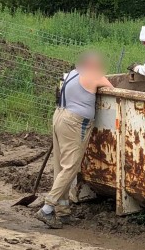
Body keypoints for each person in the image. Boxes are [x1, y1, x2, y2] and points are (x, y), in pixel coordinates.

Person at [35, 52, 113, 229]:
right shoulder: (93, 76)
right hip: (75, 122)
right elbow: (113, 90)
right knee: (71, 166)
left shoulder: (71, 74)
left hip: (59, 116)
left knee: (60, 165)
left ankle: (62, 211)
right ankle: (48, 208)